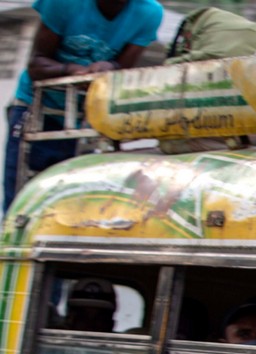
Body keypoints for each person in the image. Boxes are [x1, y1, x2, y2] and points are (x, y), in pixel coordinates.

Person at [4, 0, 164, 212]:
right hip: (37, 107)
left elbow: (123, 69)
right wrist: (71, 70)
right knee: (19, 197)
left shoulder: (148, 12)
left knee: (65, 200)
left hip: (84, 118)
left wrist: (110, 66)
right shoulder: (62, 3)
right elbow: (37, 65)